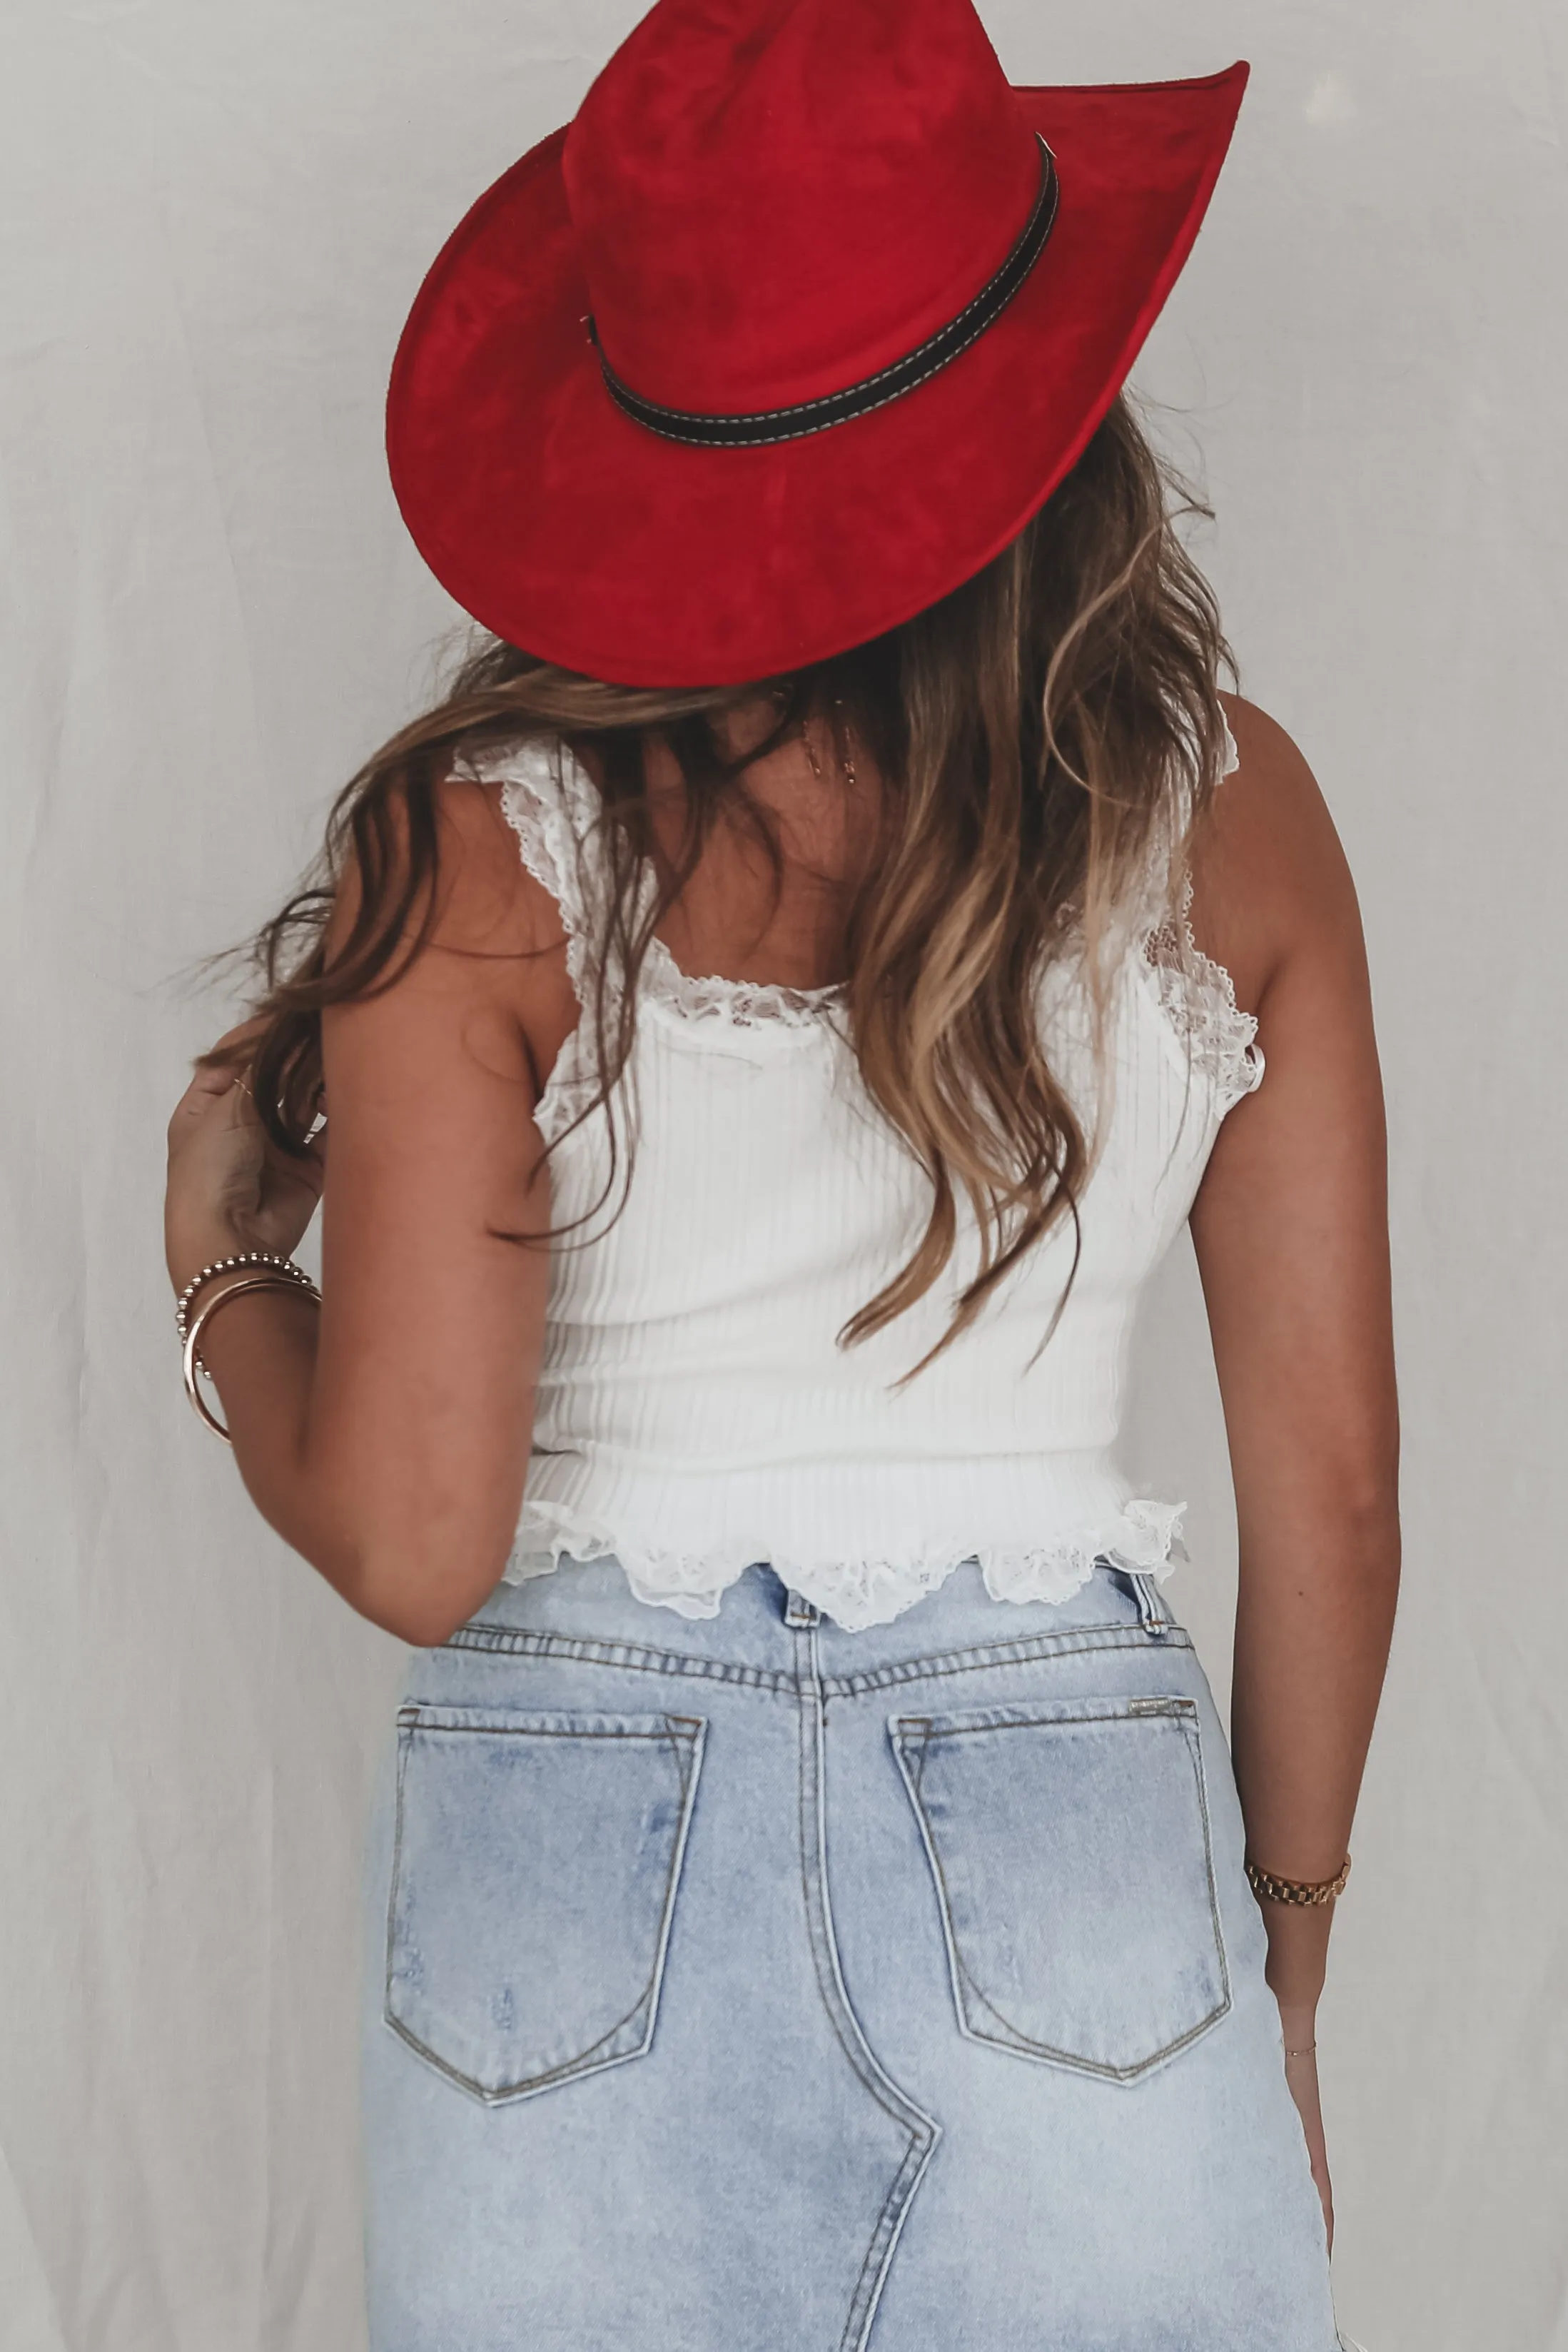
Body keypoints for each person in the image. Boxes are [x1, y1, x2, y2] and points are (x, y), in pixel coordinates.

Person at [162, 1, 1397, 2343]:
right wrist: (1283, 1961)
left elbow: (419, 1535)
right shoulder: (1231, 813)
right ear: (1048, 386)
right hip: (1069, 1831)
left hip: (565, 1840)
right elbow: (1324, 1500)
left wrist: (225, 1275)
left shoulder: (479, 852)